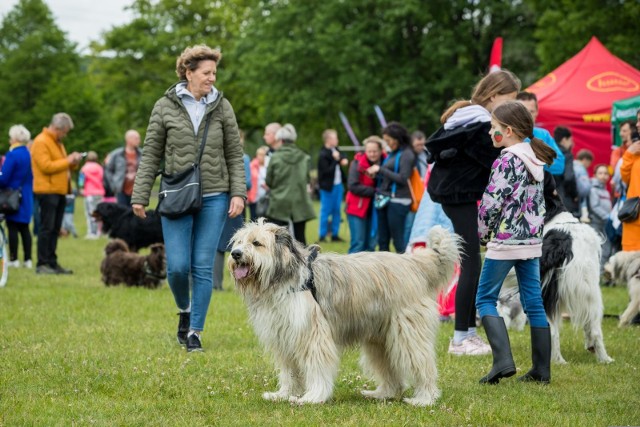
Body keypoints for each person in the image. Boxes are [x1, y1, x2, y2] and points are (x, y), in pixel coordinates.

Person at [131, 45, 246, 352]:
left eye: (214, 73)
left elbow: (234, 154)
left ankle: (196, 330)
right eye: (207, 72)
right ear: (188, 72)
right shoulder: (164, 106)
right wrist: (140, 194)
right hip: (177, 193)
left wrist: (238, 192)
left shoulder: (222, 106)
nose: (212, 78)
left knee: (203, 266)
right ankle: (184, 309)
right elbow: (151, 153)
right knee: (178, 267)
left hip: (214, 195)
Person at [426, 70, 521, 356]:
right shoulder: (480, 123)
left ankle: (466, 332)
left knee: (471, 262)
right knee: (471, 264)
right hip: (460, 196)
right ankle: (460, 338)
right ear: (494, 96)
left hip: (456, 195)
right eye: (509, 99)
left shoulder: (465, 116)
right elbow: (492, 159)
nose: (511, 106)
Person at [476, 101, 556, 385]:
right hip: (531, 241)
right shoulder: (535, 158)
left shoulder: (508, 159)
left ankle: (502, 361)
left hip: (506, 240)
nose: (490, 133)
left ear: (508, 130)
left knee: (484, 298)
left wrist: (482, 234)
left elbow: (491, 202)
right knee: (534, 302)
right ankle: (541, 370)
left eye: (493, 128)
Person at [31, 113, 82, 275]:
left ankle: (52, 262)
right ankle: (42, 263)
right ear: (57, 128)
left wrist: (73, 162)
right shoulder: (41, 142)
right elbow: (46, 166)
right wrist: (68, 160)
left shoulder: (56, 142)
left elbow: (61, 165)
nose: (65, 135)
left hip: (59, 190)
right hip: (47, 190)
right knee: (46, 228)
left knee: (54, 229)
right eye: (64, 131)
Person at [367, 122, 415, 253]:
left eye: (388, 140)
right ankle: (385, 272)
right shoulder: (392, 153)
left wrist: (380, 169)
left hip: (398, 201)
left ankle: (406, 270)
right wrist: (376, 174)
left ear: (397, 138)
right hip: (385, 200)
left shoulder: (407, 154)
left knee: (398, 242)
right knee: (383, 242)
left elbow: (402, 179)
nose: (387, 143)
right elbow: (389, 176)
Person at [265, 124, 315, 245]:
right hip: (300, 200)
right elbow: (307, 179)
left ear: (280, 140)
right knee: (300, 238)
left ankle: (279, 262)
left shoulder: (275, 157)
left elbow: (269, 181)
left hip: (279, 201)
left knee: (278, 238)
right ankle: (304, 261)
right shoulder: (304, 156)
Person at [0, 125, 33, 268]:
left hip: (12, 195)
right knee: (25, 228)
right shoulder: (28, 153)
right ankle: (28, 259)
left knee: (12, 226)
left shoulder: (12, 154)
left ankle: (13, 259)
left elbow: (4, 177)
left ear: (15, 139)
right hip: (26, 194)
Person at [345, 136, 385, 253]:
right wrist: (374, 191)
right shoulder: (357, 163)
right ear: (365, 151)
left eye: (375, 151)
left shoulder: (385, 162)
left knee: (371, 245)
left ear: (380, 150)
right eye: (369, 151)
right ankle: (349, 271)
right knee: (358, 243)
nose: (372, 154)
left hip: (376, 209)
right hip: (357, 209)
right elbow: (352, 185)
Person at [516, 92, 565, 176]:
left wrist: (532, 162)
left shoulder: (543, 134)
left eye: (531, 111)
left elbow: (559, 165)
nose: (527, 115)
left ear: (537, 112)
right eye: (523, 111)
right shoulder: (507, 133)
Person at [317, 129, 348, 242]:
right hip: (327, 188)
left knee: (337, 210)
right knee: (325, 211)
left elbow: (343, 158)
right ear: (329, 140)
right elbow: (326, 172)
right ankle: (322, 235)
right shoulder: (323, 154)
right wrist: (336, 160)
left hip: (338, 186)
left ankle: (335, 235)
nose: (337, 140)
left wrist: (342, 158)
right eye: (335, 138)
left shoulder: (336, 150)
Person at [105, 129, 142, 206]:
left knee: (136, 216)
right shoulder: (116, 154)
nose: (139, 141)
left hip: (137, 191)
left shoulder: (142, 154)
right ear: (128, 139)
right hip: (121, 191)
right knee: (122, 215)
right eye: (136, 138)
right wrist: (113, 184)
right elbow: (108, 170)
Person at [619, 116, 640, 253]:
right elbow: (626, 178)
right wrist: (628, 155)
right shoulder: (636, 149)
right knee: (631, 266)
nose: (637, 124)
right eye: (637, 120)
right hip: (634, 216)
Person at [588, 164, 612, 273]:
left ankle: (601, 273)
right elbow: (594, 206)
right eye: (600, 173)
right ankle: (595, 274)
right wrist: (608, 217)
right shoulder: (593, 189)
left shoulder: (606, 191)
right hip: (595, 224)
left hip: (605, 225)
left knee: (606, 249)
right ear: (595, 175)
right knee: (595, 250)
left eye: (606, 173)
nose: (603, 176)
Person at [552, 126, 579, 217]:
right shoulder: (566, 155)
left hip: (547, 198)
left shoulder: (548, 152)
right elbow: (569, 177)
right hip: (563, 198)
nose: (571, 143)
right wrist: (574, 195)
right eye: (570, 140)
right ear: (564, 140)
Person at [79, 151, 105, 238]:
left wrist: (81, 188)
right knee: (99, 213)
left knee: (90, 213)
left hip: (89, 193)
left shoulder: (84, 168)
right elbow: (102, 178)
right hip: (99, 192)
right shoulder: (99, 167)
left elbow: (81, 180)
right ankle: (99, 231)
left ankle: (92, 233)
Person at [247, 146, 268, 221]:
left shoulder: (268, 166)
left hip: (266, 197)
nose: (260, 157)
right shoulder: (252, 165)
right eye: (259, 154)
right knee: (254, 218)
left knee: (265, 219)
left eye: (262, 155)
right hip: (255, 197)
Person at [574, 149, 594, 222]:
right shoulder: (581, 169)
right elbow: (584, 189)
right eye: (590, 162)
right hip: (580, 203)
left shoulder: (571, 166)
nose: (589, 165)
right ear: (585, 159)